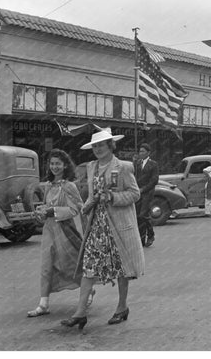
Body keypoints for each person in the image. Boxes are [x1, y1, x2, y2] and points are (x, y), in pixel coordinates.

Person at [61, 129, 144, 330]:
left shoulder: (123, 167)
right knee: (89, 266)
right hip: (97, 226)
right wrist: (85, 206)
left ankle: (122, 306)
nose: (97, 149)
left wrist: (114, 198)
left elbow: (135, 194)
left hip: (118, 225)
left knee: (122, 267)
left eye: (101, 145)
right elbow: (92, 194)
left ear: (110, 146)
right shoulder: (91, 167)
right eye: (95, 146)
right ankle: (80, 313)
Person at [27, 149, 87, 317]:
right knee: (46, 265)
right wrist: (40, 213)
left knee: (71, 264)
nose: (54, 167)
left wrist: (54, 210)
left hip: (66, 231)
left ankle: (88, 291)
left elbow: (77, 209)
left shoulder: (70, 186)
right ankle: (43, 304)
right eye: (52, 163)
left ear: (65, 165)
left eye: (58, 164)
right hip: (49, 229)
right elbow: (45, 209)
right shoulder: (47, 185)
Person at [135, 143, 159, 247]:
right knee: (138, 217)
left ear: (148, 153)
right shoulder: (136, 163)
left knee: (143, 215)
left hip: (148, 192)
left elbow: (154, 180)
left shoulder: (153, 164)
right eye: (140, 151)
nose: (141, 153)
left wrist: (144, 189)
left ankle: (151, 235)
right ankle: (141, 239)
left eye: (143, 151)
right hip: (138, 193)